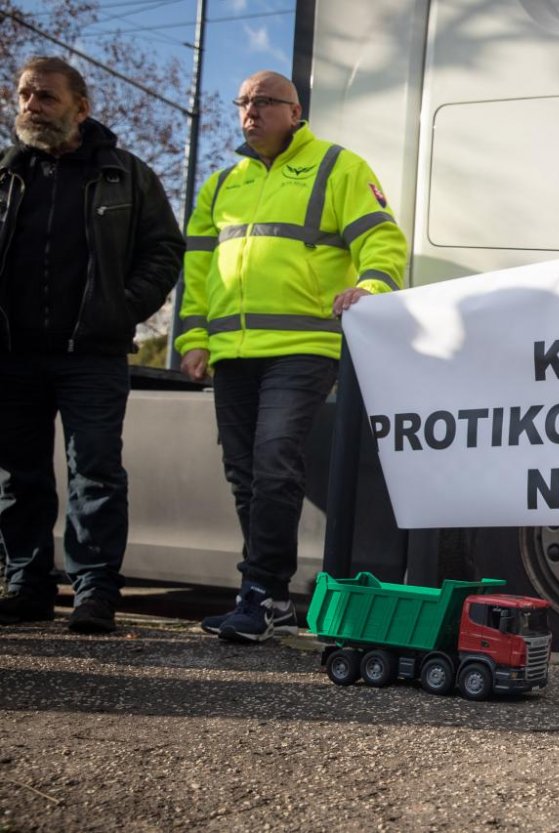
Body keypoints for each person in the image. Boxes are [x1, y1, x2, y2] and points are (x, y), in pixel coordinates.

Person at [177, 70, 406, 644]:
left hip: (303, 347)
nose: (250, 111)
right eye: (243, 101)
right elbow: (199, 269)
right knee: (244, 474)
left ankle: (259, 593)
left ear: (295, 111)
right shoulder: (221, 184)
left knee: (275, 461)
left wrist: (372, 287)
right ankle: (269, 598)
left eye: (264, 102)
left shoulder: (337, 167)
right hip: (232, 352)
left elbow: (382, 239)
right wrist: (193, 338)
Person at [0, 56, 184, 634]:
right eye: (24, 96)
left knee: (96, 472)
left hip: (94, 355)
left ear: (81, 107)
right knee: (18, 474)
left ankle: (95, 592)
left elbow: (163, 251)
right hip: (13, 354)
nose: (31, 106)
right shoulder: (5, 174)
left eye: (45, 97)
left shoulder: (126, 173)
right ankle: (25, 585)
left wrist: (121, 309)